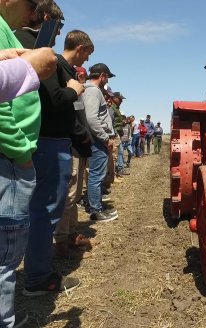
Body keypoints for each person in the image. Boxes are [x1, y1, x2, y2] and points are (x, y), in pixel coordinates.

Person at [17, 25, 91, 298]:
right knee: (44, 212)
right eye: (54, 28)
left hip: (56, 143)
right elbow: (53, 102)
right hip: (51, 144)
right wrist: (73, 90)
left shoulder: (57, 65)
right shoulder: (50, 62)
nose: (56, 36)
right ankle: (37, 277)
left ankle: (37, 270)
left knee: (42, 211)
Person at [0, 1, 49, 326]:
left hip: (13, 155)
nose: (34, 15)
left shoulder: (5, 32)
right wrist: (21, 152)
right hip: (10, 156)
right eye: (33, 4)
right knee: (5, 256)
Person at [52, 30, 95, 259]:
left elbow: (76, 111)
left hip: (77, 141)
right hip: (68, 142)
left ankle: (69, 233)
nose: (86, 60)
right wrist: (80, 133)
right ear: (80, 48)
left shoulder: (69, 72)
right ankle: (60, 240)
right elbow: (61, 107)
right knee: (67, 195)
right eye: (87, 53)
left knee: (74, 193)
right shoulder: (57, 67)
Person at [83, 63, 119, 222]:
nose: (107, 81)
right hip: (97, 140)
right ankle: (95, 211)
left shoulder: (90, 90)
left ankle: (96, 205)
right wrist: (105, 138)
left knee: (97, 175)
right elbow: (91, 119)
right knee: (96, 175)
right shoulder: (93, 91)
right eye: (107, 77)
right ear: (102, 75)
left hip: (96, 139)